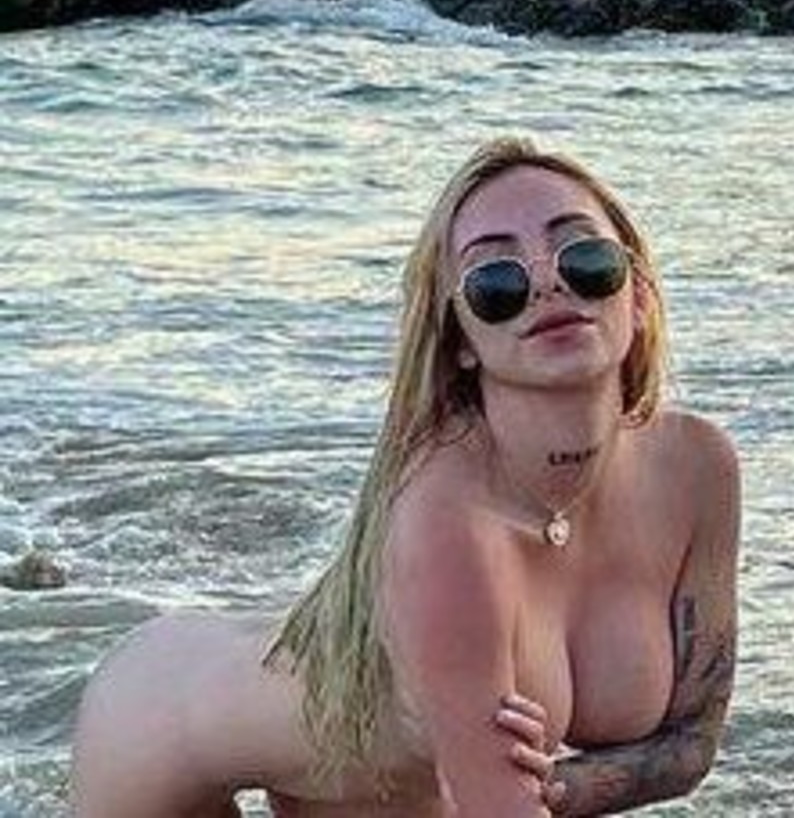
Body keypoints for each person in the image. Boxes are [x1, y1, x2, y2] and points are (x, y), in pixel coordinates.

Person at [70, 137, 740, 817]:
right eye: (497, 281)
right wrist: (516, 786)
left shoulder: (696, 469)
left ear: (640, 296)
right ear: (459, 339)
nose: (547, 283)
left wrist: (558, 787)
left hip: (365, 784)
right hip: (159, 731)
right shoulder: (445, 516)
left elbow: (691, 746)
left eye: (585, 257)